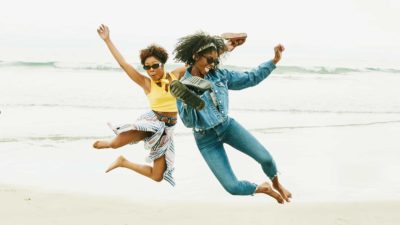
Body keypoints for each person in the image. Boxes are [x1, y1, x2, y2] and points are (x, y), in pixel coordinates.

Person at [93, 24, 246, 186]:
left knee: (157, 176)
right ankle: (108, 142)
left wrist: (225, 48)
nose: (151, 70)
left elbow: (200, 61)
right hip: (152, 123)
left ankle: (123, 162)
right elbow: (124, 64)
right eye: (147, 67)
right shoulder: (146, 83)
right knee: (115, 144)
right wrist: (107, 40)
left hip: (168, 130)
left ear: (163, 64)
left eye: (154, 65)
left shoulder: (175, 75)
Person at [171, 32, 292, 202]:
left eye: (215, 60)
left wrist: (274, 61)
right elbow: (188, 122)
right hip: (205, 139)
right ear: (195, 56)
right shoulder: (181, 87)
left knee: (266, 159)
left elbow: (250, 78)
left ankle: (277, 183)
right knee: (232, 187)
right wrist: (189, 101)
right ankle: (262, 188)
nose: (212, 65)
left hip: (227, 127)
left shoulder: (220, 75)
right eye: (208, 60)